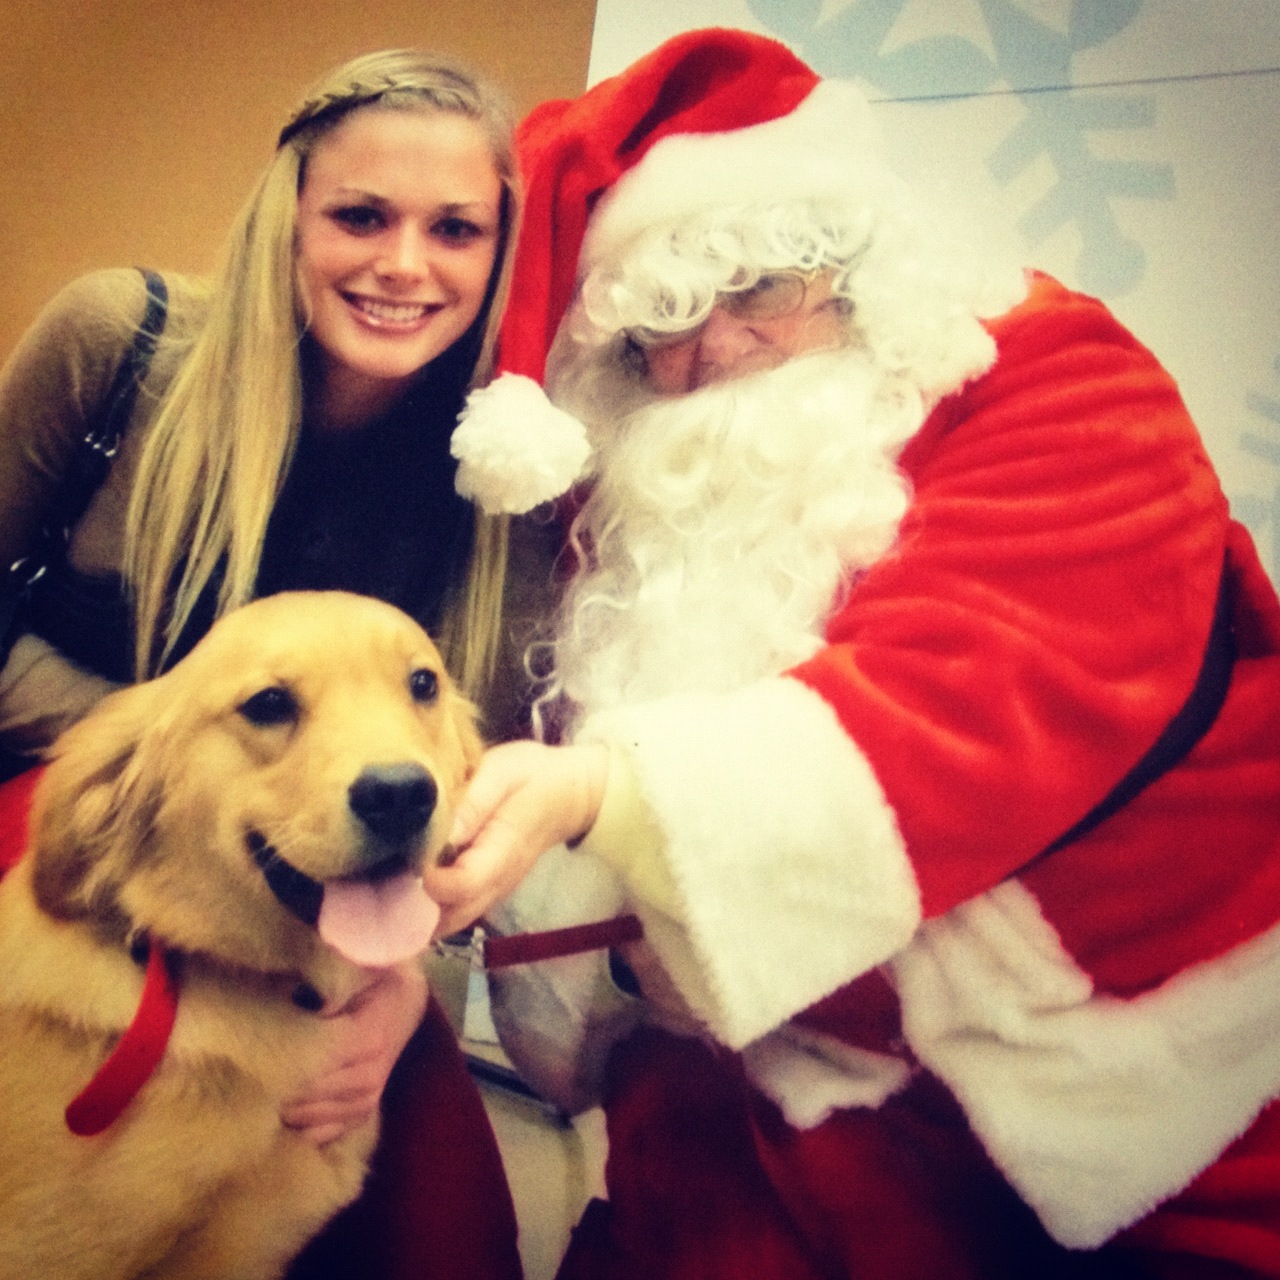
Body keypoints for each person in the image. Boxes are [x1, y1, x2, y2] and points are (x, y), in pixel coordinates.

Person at [429, 27, 1280, 1280]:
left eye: (760, 288)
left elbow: (977, 699)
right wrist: (614, 948)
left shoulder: (1054, 377)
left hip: (1129, 1092)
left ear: (854, 268)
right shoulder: (646, 484)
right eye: (665, 316)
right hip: (778, 1105)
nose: (716, 349)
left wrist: (613, 797)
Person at [0, 48, 528, 1280]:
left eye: (455, 228)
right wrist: (163, 745)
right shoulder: (118, 343)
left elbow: (465, 761)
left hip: (336, 907)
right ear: (285, 216)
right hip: (72, 820)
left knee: (447, 1233)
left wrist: (402, 985)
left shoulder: (500, 463)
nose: (405, 264)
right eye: (360, 215)